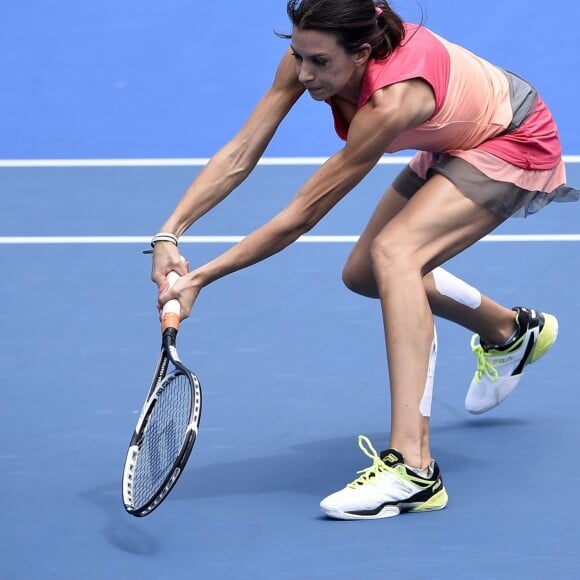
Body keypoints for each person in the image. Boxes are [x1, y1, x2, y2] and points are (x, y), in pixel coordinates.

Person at [150, 0, 578, 520]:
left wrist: (201, 278)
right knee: (363, 274)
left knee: (395, 254)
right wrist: (169, 232)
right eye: (297, 55)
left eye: (320, 63)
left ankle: (413, 469)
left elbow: (301, 214)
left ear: (363, 54)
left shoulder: (394, 102)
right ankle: (511, 332)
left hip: (511, 138)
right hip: (457, 136)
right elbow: (242, 152)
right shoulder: (312, 52)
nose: (304, 74)